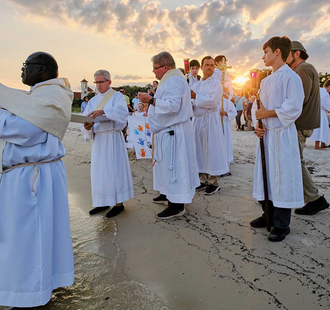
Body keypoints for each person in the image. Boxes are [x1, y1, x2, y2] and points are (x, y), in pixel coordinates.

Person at [0, 52, 74, 310]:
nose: (22, 71)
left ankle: (30, 295)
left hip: (32, 175)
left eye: (25, 66)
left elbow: (27, 130)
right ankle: (44, 283)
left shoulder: (51, 96)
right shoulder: (45, 94)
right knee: (38, 231)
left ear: (41, 70)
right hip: (35, 173)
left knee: (27, 236)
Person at [250, 36, 305, 242]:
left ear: (277, 52)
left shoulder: (291, 78)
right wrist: (258, 125)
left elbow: (294, 108)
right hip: (267, 135)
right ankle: (268, 214)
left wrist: (268, 115)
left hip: (282, 135)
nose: (263, 56)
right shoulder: (265, 80)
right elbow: (259, 109)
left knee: (282, 178)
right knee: (266, 177)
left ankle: (282, 224)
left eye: (266, 52)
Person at [138, 51, 199, 219]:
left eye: (155, 69)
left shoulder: (173, 80)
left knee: (175, 168)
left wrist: (149, 100)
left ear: (165, 67)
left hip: (173, 133)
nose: (154, 72)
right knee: (166, 166)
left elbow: (173, 106)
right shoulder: (171, 79)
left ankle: (176, 204)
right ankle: (167, 194)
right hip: (167, 131)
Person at [82, 70, 134, 218]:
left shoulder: (117, 97)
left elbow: (122, 113)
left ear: (109, 82)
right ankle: (103, 200)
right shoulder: (93, 100)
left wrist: (103, 111)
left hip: (112, 138)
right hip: (99, 139)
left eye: (101, 82)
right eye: (96, 82)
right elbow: (86, 117)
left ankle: (118, 204)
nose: (98, 85)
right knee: (100, 172)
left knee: (113, 170)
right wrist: (87, 127)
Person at [286, 41, 329, 215]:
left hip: (300, 124)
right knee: (295, 161)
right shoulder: (301, 69)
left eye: (287, 52)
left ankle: (315, 199)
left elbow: (299, 99)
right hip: (301, 123)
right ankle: (311, 197)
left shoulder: (303, 69)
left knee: (295, 162)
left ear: (296, 53)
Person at [191, 56, 229, 194]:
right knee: (199, 150)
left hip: (210, 120)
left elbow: (213, 101)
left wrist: (195, 97)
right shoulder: (196, 84)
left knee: (211, 150)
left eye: (212, 65)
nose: (209, 67)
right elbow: (191, 101)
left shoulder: (216, 83)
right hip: (198, 120)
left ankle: (213, 181)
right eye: (206, 65)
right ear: (202, 67)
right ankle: (202, 179)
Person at [310, 80, 330, 149]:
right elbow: (327, 105)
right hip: (321, 112)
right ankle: (319, 145)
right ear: (329, 87)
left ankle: (320, 144)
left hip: (314, 112)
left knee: (318, 129)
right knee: (323, 129)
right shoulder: (325, 94)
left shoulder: (318, 90)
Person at [221, 93, 237, 166]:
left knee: (225, 142)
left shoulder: (228, 103)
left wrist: (226, 113)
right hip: (215, 126)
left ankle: (226, 161)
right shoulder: (213, 103)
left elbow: (234, 113)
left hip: (225, 125)